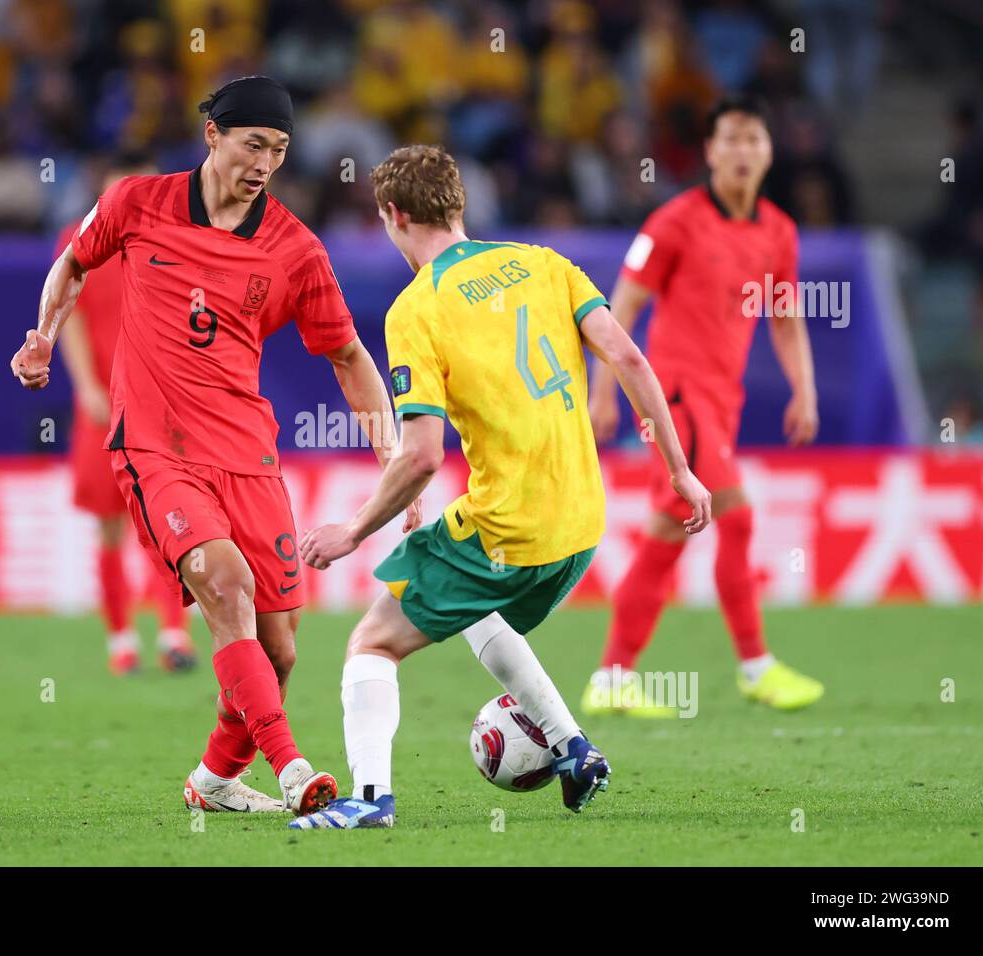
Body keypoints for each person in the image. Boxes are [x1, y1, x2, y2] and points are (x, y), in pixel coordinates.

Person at [9, 76, 420, 817]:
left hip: (248, 455)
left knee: (280, 650)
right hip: (155, 448)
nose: (265, 162)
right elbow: (72, 263)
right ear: (213, 136)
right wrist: (43, 333)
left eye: (280, 150)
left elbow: (349, 358)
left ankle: (216, 780)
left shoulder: (294, 248)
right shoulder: (138, 202)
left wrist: (394, 457)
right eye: (253, 144)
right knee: (224, 585)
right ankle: (295, 770)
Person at [291, 145, 711, 830]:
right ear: (458, 204)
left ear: (395, 216)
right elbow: (629, 355)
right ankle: (574, 748)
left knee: (372, 642)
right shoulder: (546, 264)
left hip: (509, 528)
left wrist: (353, 529)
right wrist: (680, 467)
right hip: (580, 525)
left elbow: (423, 455)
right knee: (467, 601)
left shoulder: (416, 310)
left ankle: (368, 802)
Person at [586, 95, 824, 716]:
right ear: (711, 151)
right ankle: (756, 666)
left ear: (769, 152)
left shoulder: (778, 231)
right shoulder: (675, 221)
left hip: (723, 402)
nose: (744, 151)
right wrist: (603, 390)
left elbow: (786, 318)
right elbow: (621, 307)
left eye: (755, 139)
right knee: (735, 516)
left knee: (667, 532)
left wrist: (805, 387)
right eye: (732, 139)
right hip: (675, 396)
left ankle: (612, 678)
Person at [52, 151, 196, 676]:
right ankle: (121, 640)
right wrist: (87, 385)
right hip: (102, 405)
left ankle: (174, 635)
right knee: (112, 526)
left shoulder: (174, 241)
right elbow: (66, 313)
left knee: (166, 523)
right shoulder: (80, 238)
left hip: (159, 404)